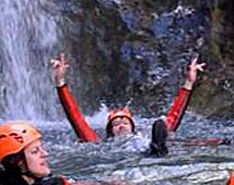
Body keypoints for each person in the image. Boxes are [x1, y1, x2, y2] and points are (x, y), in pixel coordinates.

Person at [50, 53, 203, 156]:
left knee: (163, 128)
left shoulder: (140, 137)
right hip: (133, 160)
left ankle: (158, 147)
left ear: (132, 127)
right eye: (116, 124)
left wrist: (188, 83)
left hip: (147, 149)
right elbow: (75, 118)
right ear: (110, 131)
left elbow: (173, 117)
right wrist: (59, 82)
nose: (121, 126)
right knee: (157, 143)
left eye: (125, 122)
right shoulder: (99, 145)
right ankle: (157, 150)